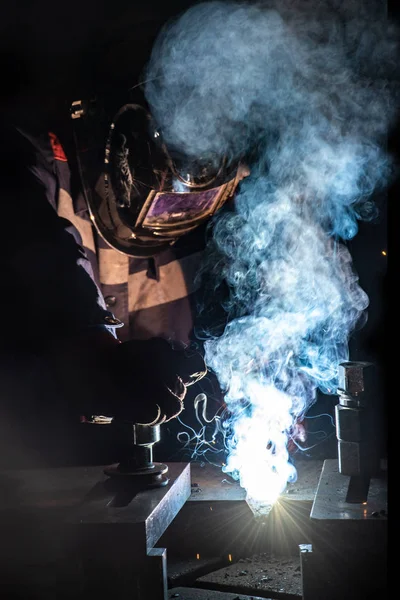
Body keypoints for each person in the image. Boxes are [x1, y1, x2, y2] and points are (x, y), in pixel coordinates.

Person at [0, 41, 250, 469]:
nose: (170, 215)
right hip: (40, 465)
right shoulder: (28, 167)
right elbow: (43, 251)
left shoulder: (194, 190)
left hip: (147, 461)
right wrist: (91, 350)